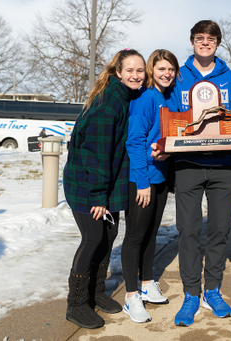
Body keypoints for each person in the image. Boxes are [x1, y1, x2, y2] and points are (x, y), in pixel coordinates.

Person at [154, 20, 231, 327]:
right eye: (200, 38)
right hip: (187, 165)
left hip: (224, 166)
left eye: (211, 39)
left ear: (217, 43)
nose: (205, 42)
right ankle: (191, 293)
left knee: (219, 230)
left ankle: (212, 290)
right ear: (192, 41)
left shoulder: (229, 76)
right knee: (188, 231)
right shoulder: (179, 76)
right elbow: (169, 115)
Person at [63, 49, 145, 329]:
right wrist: (99, 197)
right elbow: (97, 153)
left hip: (105, 183)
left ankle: (96, 293)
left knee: (109, 235)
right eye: (130, 70)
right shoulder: (109, 102)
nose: (136, 75)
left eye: (140, 71)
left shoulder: (124, 97)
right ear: (118, 72)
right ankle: (76, 304)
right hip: (87, 183)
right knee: (94, 237)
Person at [121, 49, 179, 323]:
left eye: (171, 69)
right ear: (151, 71)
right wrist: (142, 182)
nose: (166, 73)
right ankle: (131, 296)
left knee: (151, 233)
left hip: (161, 178)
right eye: (161, 69)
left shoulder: (168, 99)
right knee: (135, 237)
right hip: (141, 180)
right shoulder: (145, 98)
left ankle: (146, 283)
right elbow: (134, 141)